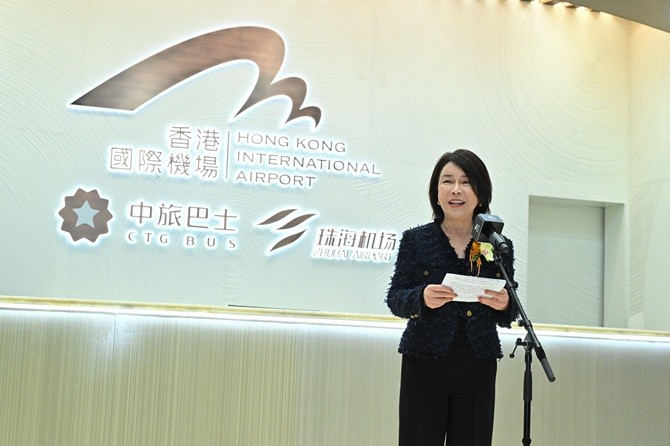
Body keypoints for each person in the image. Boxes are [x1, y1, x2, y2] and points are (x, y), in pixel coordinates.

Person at [386, 149, 519, 446]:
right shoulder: (416, 240)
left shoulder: (498, 244)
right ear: (437, 193)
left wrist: (505, 304)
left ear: (481, 194)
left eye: (466, 182)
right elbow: (395, 297)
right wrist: (421, 296)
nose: (456, 189)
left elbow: (510, 307)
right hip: (424, 360)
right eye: (447, 181)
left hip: (477, 362)